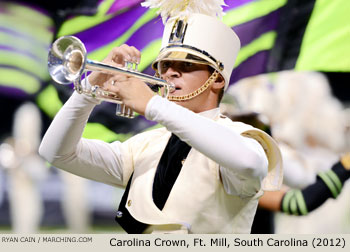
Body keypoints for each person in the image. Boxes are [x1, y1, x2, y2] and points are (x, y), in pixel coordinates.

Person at [39, 0, 282, 234]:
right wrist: (91, 86)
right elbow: (56, 152)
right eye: (164, 66)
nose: (170, 73)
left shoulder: (238, 136)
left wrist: (152, 105)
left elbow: (250, 162)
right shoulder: (145, 145)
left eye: (185, 66)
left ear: (217, 79)